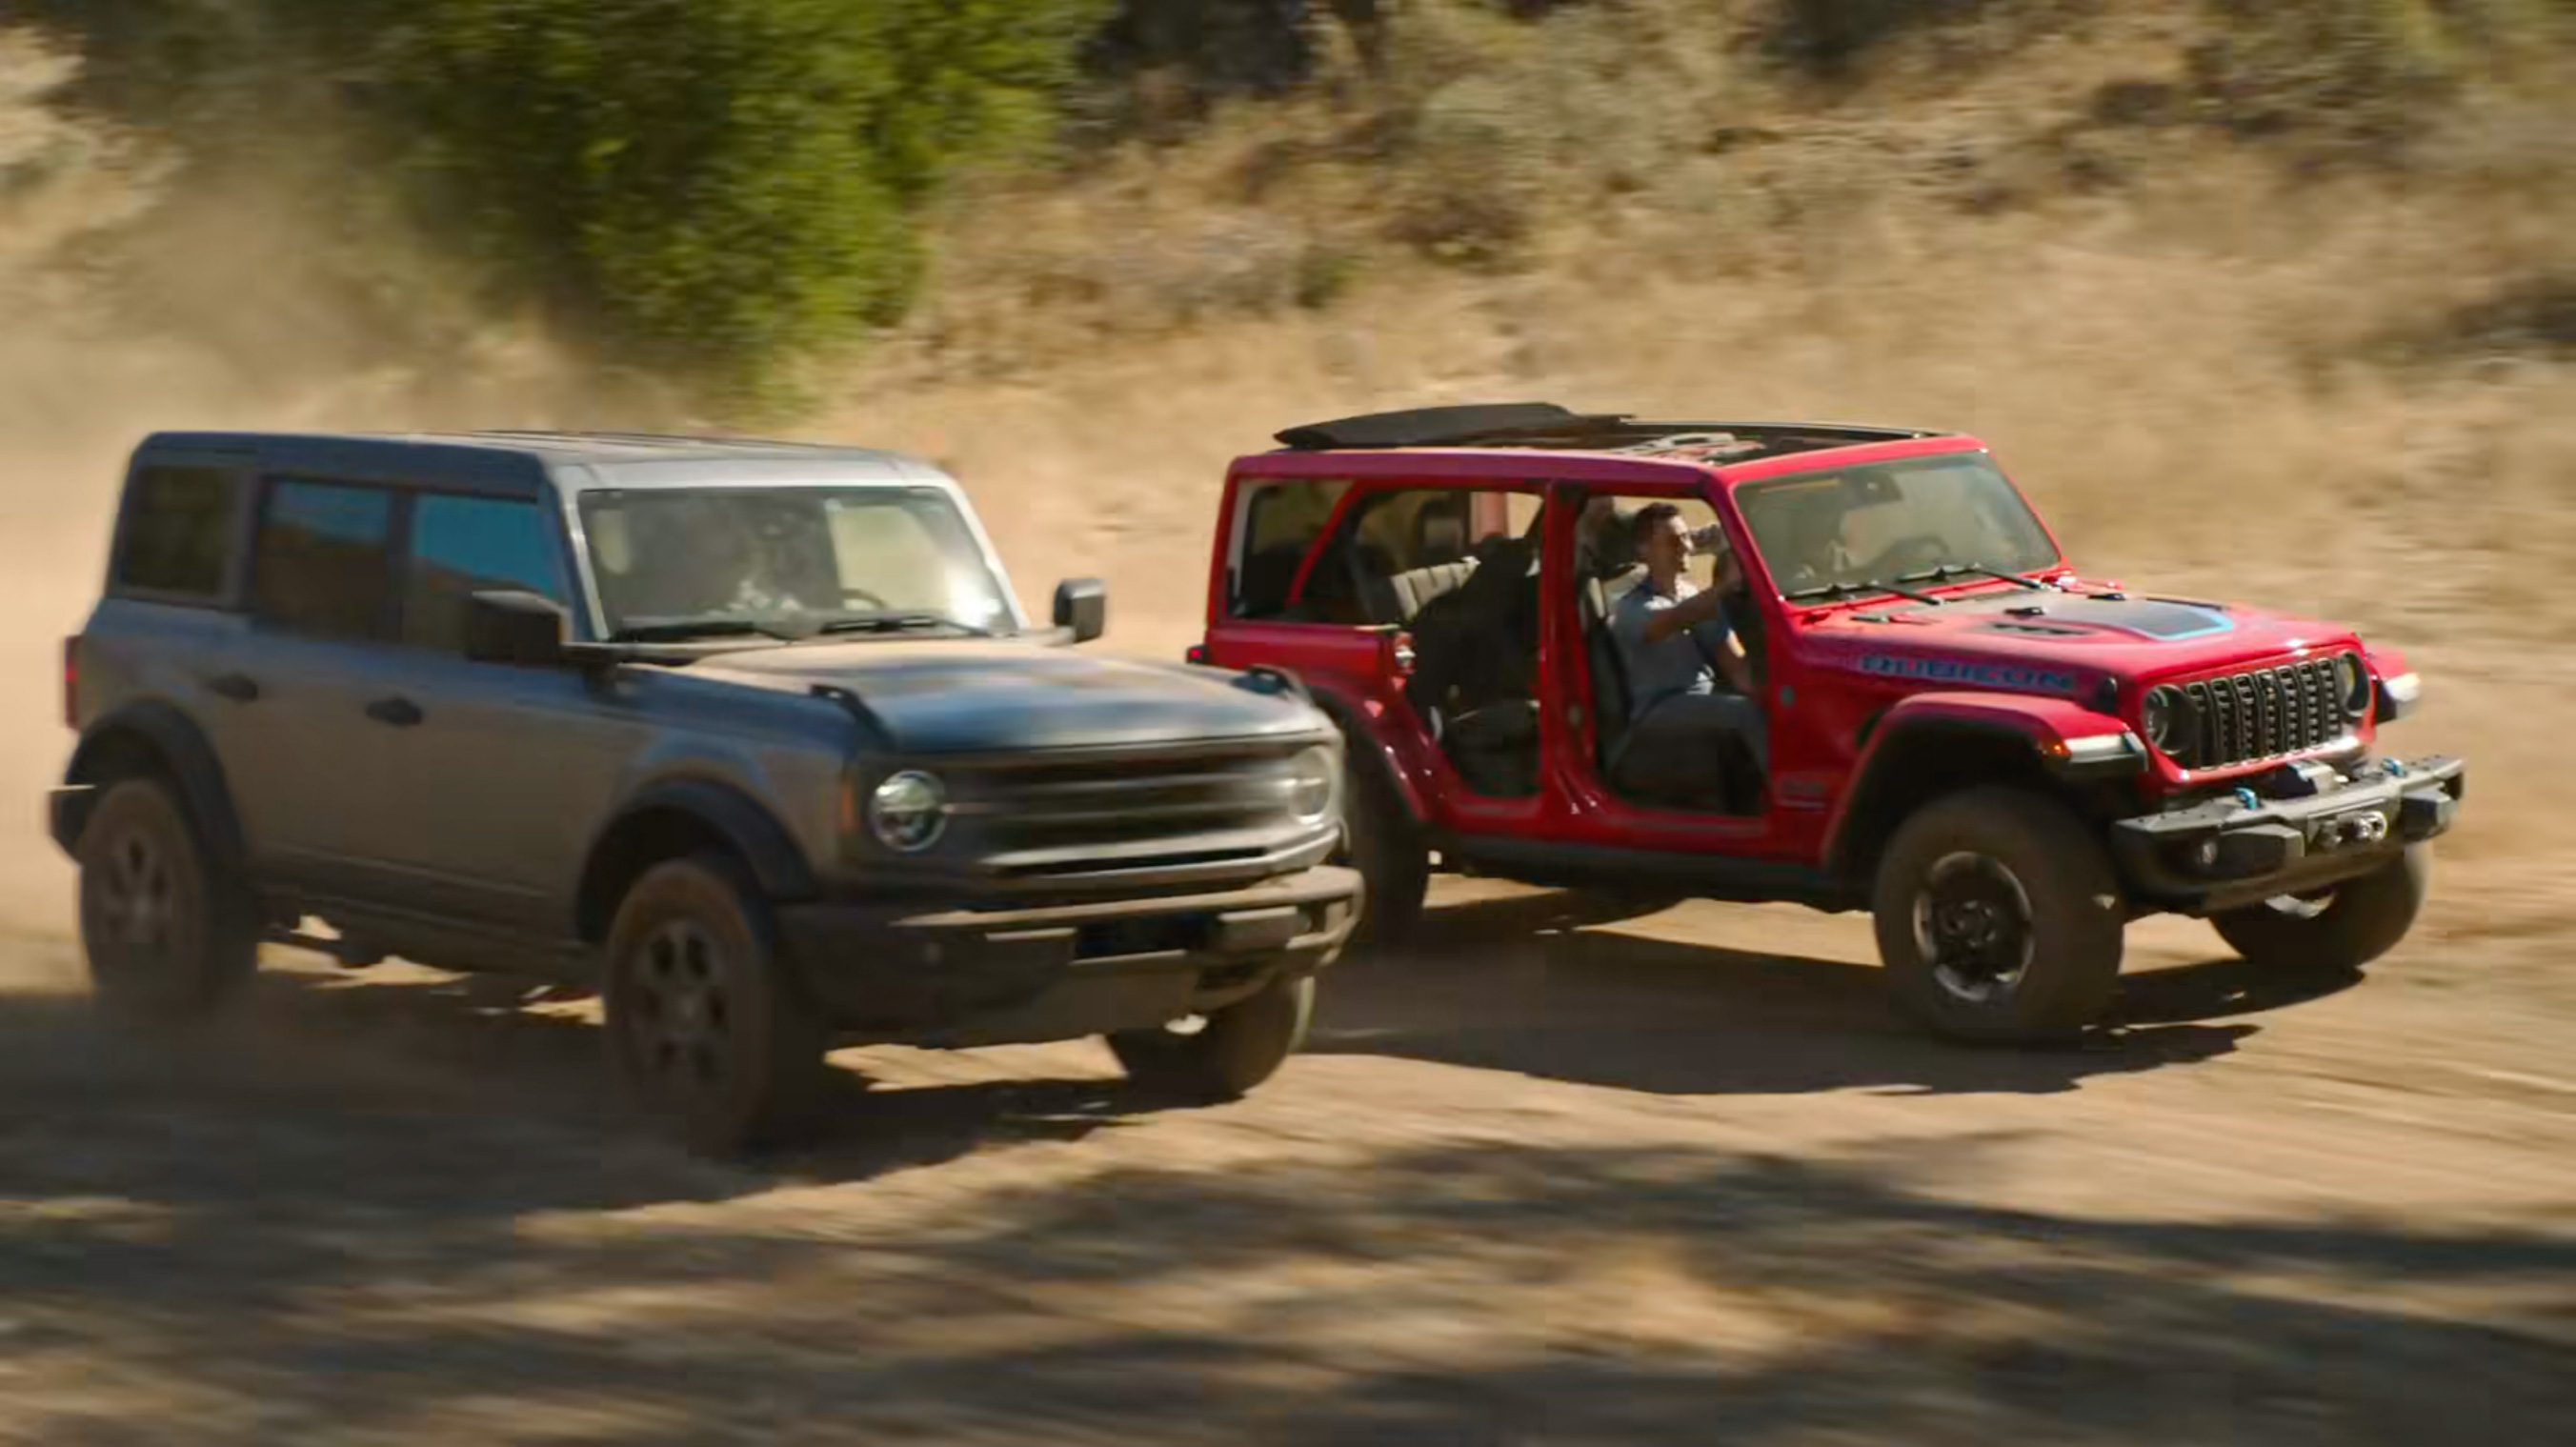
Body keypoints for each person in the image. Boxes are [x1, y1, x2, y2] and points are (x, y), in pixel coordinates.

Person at [1609, 502, 1768, 803]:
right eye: (1672, 541)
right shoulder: (1631, 608)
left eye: (1685, 538)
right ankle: (1787, 800)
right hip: (1657, 708)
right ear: (1644, 550)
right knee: (1744, 714)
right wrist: (1725, 586)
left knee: (1766, 703)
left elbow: (1735, 665)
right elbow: (1671, 620)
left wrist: (1769, 691)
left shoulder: (1692, 595)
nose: (1684, 547)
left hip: (1700, 698)